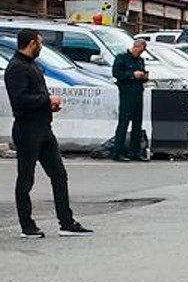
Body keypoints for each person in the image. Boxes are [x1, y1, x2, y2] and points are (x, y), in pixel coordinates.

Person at [3, 29, 92, 238]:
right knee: (26, 179)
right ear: (32, 43)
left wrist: (47, 106)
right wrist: (46, 101)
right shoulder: (16, 68)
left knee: (59, 175)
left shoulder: (32, 66)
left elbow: (34, 96)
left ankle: (67, 222)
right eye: (40, 43)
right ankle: (27, 225)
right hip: (27, 130)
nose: (41, 48)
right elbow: (19, 100)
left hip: (44, 128)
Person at [111, 38, 149, 161]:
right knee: (124, 122)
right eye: (140, 51)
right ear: (135, 47)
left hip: (138, 91)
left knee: (137, 123)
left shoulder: (140, 60)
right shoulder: (122, 58)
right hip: (126, 92)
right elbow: (116, 73)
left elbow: (142, 73)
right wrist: (132, 75)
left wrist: (144, 76)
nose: (140, 54)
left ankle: (135, 151)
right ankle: (118, 152)